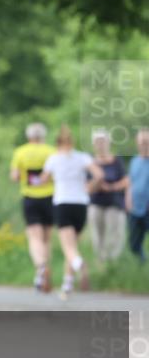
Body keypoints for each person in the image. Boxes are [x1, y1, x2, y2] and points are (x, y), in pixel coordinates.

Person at [38, 125, 103, 298]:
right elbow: (99, 175)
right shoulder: (83, 157)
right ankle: (67, 285)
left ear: (58, 143)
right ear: (72, 143)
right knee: (73, 245)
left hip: (63, 203)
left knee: (68, 247)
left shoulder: (53, 158)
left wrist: (45, 179)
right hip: (81, 204)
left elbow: (43, 180)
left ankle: (80, 265)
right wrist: (89, 187)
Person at [9, 122, 57, 292]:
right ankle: (45, 270)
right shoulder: (51, 152)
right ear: (43, 136)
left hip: (30, 198)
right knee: (46, 238)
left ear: (29, 136)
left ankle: (41, 267)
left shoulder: (20, 152)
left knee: (34, 237)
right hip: (50, 197)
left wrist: (24, 175)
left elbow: (14, 176)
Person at [87, 129, 128, 264]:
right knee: (97, 235)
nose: (101, 144)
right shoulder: (90, 162)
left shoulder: (117, 161)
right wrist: (98, 183)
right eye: (98, 142)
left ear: (108, 143)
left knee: (114, 234)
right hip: (96, 202)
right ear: (94, 144)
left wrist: (111, 187)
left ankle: (113, 263)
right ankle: (100, 262)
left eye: (103, 141)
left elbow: (126, 180)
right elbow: (86, 186)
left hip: (114, 203)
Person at [127, 128, 149, 263]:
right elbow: (131, 183)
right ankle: (142, 263)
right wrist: (128, 199)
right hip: (135, 208)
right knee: (134, 243)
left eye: (146, 141)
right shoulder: (134, 161)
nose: (144, 144)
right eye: (141, 142)